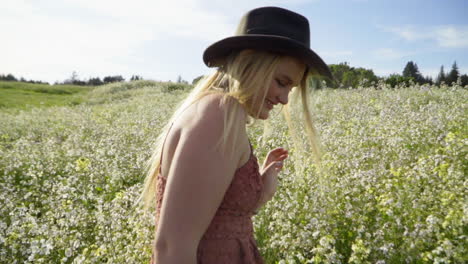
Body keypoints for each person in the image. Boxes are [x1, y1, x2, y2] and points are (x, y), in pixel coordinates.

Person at [139, 6, 332, 264]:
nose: (285, 99)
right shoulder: (219, 114)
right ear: (249, 60)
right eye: (281, 82)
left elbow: (218, 223)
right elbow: (172, 249)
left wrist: (259, 192)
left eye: (291, 88)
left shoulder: (224, 116)